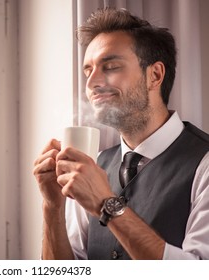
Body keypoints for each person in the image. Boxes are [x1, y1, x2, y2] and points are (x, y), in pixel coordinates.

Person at [33, 7, 209, 260]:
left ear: (155, 75)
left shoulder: (204, 164)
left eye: (111, 66)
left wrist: (106, 203)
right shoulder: (96, 163)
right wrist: (52, 206)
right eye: (87, 71)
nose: (91, 83)